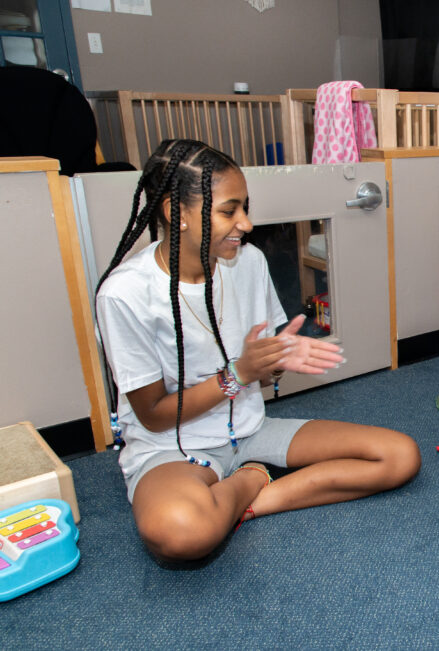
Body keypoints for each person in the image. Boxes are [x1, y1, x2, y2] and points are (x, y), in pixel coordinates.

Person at [95, 139, 420, 562]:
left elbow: (262, 372)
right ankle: (251, 481)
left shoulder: (248, 262)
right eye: (229, 211)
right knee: (180, 536)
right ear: (178, 213)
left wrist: (275, 363)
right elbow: (153, 415)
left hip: (248, 430)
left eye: (245, 207)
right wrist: (240, 374)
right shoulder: (124, 294)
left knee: (399, 456)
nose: (246, 224)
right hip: (172, 447)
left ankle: (248, 498)